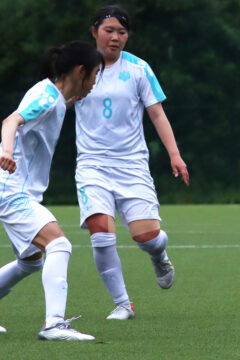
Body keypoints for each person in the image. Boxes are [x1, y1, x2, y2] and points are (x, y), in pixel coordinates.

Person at [73, 5, 189, 320]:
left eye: (121, 32)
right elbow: (55, 102)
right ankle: (123, 303)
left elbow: (157, 113)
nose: (115, 37)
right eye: (109, 30)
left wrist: (174, 155)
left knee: (146, 237)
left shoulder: (138, 69)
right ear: (94, 31)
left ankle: (160, 255)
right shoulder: (79, 69)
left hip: (132, 166)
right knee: (100, 233)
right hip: (92, 166)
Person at [0, 41, 103, 340]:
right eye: (94, 75)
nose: (95, 84)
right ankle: (54, 325)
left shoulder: (52, 95)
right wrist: (7, 151)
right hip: (11, 188)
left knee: (30, 262)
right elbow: (11, 120)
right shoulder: (47, 97)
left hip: (14, 189)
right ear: (80, 71)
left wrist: (68, 101)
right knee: (60, 244)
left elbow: (49, 107)